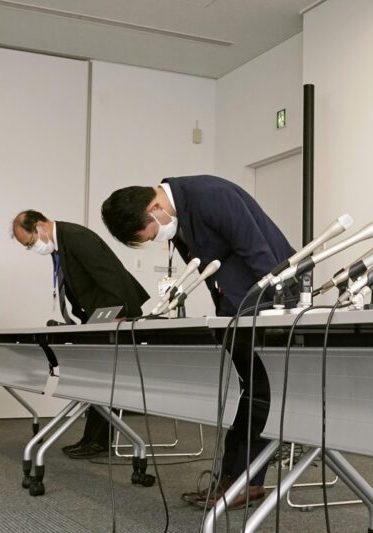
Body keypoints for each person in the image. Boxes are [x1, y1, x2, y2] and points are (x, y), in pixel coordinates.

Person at [101, 174, 296, 510]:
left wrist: (279, 309)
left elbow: (257, 249)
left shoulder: (210, 195)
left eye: (149, 235)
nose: (155, 239)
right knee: (245, 394)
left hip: (268, 301)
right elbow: (206, 268)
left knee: (261, 393)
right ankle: (233, 480)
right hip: (237, 307)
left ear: (155, 208)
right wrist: (222, 315)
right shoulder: (177, 219)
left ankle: (247, 482)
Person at [12, 210, 150, 458]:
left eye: (31, 243)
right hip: (98, 316)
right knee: (95, 378)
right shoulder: (61, 242)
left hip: (115, 314)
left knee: (105, 380)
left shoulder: (75, 236)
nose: (33, 249)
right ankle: (91, 439)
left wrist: (118, 313)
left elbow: (108, 273)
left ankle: (99, 442)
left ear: (41, 225)